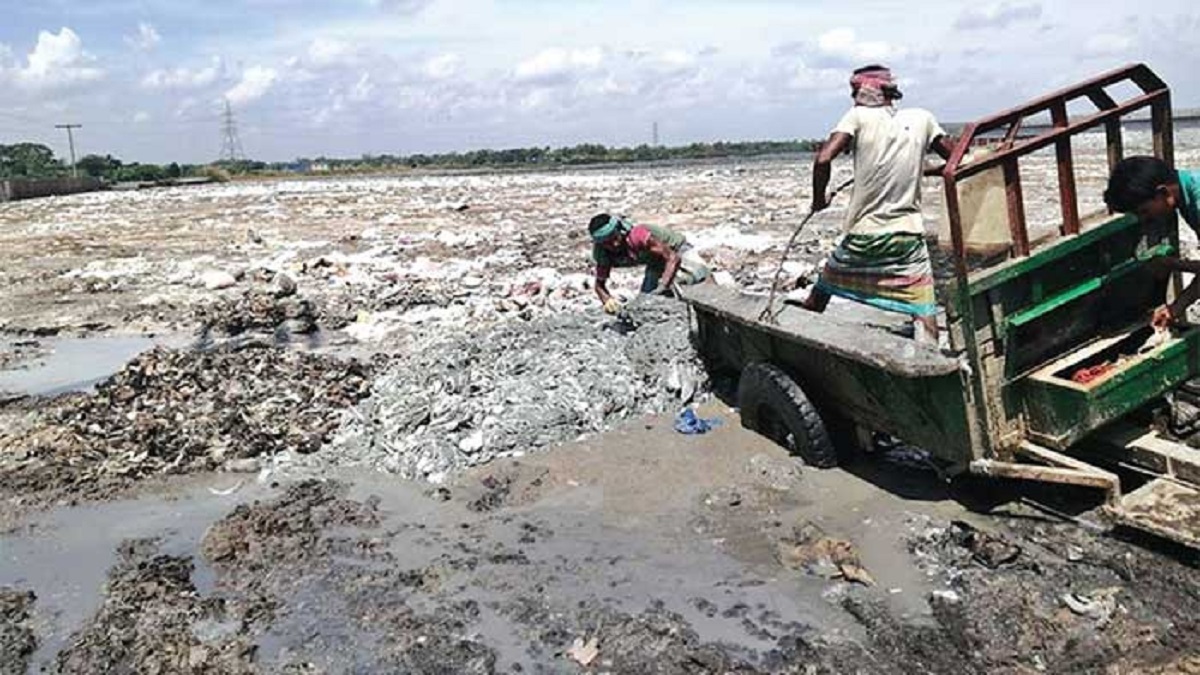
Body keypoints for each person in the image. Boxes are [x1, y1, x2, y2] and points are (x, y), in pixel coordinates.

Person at [797, 64, 953, 343]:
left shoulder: (857, 116)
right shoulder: (923, 118)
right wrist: (922, 169)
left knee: (823, 288)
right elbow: (955, 161)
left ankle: (798, 334)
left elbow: (823, 159)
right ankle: (929, 352)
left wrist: (819, 200)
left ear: (865, 91)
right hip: (908, 237)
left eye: (854, 90)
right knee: (922, 305)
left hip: (864, 236)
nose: (852, 96)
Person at [1103, 155, 1200, 328]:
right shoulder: (1188, 193)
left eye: (1144, 211)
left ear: (1164, 193)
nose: (1144, 219)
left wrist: (1174, 264)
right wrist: (1175, 308)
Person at [588, 213, 711, 314]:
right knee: (645, 302)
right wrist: (608, 301)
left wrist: (663, 285)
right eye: (607, 243)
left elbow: (673, 258)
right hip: (655, 262)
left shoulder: (638, 236)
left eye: (614, 237)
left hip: (677, 250)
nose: (614, 244)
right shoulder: (602, 253)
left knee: (692, 279)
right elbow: (599, 285)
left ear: (620, 230)